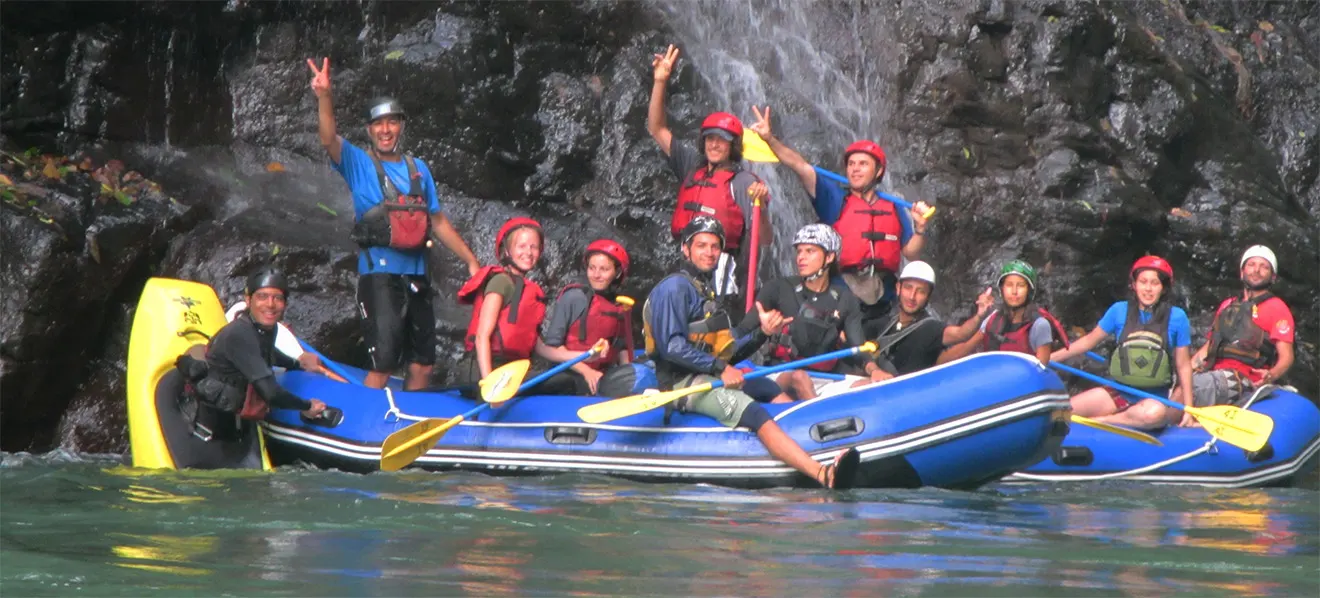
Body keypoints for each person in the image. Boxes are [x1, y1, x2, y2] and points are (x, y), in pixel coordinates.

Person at [644, 215, 860, 488]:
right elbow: (672, 347)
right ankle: (821, 474)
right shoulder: (674, 288)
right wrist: (721, 369)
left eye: (714, 246)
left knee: (765, 387)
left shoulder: (705, 291)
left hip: (706, 374)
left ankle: (809, 446)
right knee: (754, 411)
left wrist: (764, 333)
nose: (709, 252)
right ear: (686, 249)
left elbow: (728, 353)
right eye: (701, 245)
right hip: (681, 384)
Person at [307, 57, 481, 391]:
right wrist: (325, 96)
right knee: (384, 361)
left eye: (392, 122)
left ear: (401, 126)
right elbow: (328, 138)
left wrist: (471, 260)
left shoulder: (419, 169)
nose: (385, 130)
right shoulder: (357, 162)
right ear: (369, 130)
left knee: (423, 364)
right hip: (380, 275)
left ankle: (409, 427)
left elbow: (438, 220)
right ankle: (367, 426)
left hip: (417, 275)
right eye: (378, 124)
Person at [746, 105, 932, 337]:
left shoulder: (893, 207)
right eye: (851, 164)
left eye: (863, 164)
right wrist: (769, 139)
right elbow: (801, 167)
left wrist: (920, 229)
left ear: (878, 171)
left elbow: (911, 253)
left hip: (885, 297)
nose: (855, 169)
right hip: (844, 292)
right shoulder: (835, 199)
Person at [647, 44, 771, 311]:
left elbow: (764, 238)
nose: (715, 145)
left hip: (723, 273)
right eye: (710, 139)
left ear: (733, 146)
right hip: (684, 264)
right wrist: (660, 81)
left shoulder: (745, 182)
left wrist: (763, 206)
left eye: (722, 141)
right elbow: (656, 129)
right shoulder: (691, 165)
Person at [736, 224, 889, 402]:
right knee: (800, 377)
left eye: (810, 251)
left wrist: (874, 370)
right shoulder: (777, 289)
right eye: (799, 251)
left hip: (824, 379)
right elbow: (741, 332)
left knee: (873, 386)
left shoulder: (845, 299)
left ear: (829, 257)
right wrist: (764, 331)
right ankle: (819, 423)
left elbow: (858, 348)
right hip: (779, 374)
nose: (801, 257)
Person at [177, 269, 330, 443]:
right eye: (262, 296)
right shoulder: (240, 334)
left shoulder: (265, 327)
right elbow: (271, 393)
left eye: (277, 298)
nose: (270, 304)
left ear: (285, 303)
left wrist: (297, 364)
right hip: (208, 414)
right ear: (248, 300)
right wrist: (307, 406)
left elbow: (266, 352)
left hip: (233, 409)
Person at [1050, 256, 1197, 429]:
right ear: (1134, 285)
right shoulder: (1118, 311)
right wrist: (1048, 358)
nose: (1148, 289)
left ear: (1163, 288)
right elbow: (1088, 342)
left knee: (1153, 415)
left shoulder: (1177, 317)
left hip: (1153, 399)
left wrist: (1189, 409)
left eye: (1155, 283)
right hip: (1118, 393)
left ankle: (1101, 421)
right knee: (1058, 413)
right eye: (1143, 282)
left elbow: (1183, 365)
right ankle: (1121, 417)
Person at [534, 239, 656, 397]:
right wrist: (587, 372)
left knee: (648, 367)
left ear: (617, 273)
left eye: (604, 269)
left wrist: (630, 375)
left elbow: (622, 351)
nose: (596, 275)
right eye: (592, 268)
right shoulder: (574, 298)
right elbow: (552, 346)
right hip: (570, 373)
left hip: (602, 375)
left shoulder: (620, 306)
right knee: (565, 383)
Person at [1190, 245, 1295, 406]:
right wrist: (1186, 369)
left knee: (1193, 388)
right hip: (1213, 372)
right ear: (1242, 272)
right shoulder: (1227, 305)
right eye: (1251, 265)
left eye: (1264, 267)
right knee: (1184, 382)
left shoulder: (1278, 308)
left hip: (1244, 380)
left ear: (1272, 277)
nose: (1256, 270)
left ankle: (1163, 418)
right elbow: (1209, 346)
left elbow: (1286, 356)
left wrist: (1271, 375)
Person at [454, 218, 547, 385]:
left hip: (508, 370)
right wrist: (490, 384)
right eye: (522, 246)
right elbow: (482, 336)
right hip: (482, 370)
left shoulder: (529, 290)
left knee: (564, 380)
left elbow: (541, 347)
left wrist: (586, 360)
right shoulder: (501, 281)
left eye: (534, 247)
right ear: (507, 251)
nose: (529, 252)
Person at [866, 262, 994, 378]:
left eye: (920, 291)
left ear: (928, 296)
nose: (912, 297)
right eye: (908, 288)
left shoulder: (931, 328)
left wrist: (979, 316)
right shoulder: (885, 322)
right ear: (898, 288)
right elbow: (854, 340)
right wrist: (873, 370)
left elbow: (961, 333)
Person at [942, 260, 1069, 364]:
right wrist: (935, 363)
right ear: (1002, 289)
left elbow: (1040, 370)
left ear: (1029, 291)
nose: (1014, 291)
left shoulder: (1039, 325)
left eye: (1020, 285)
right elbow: (965, 348)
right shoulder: (992, 319)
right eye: (1009, 285)